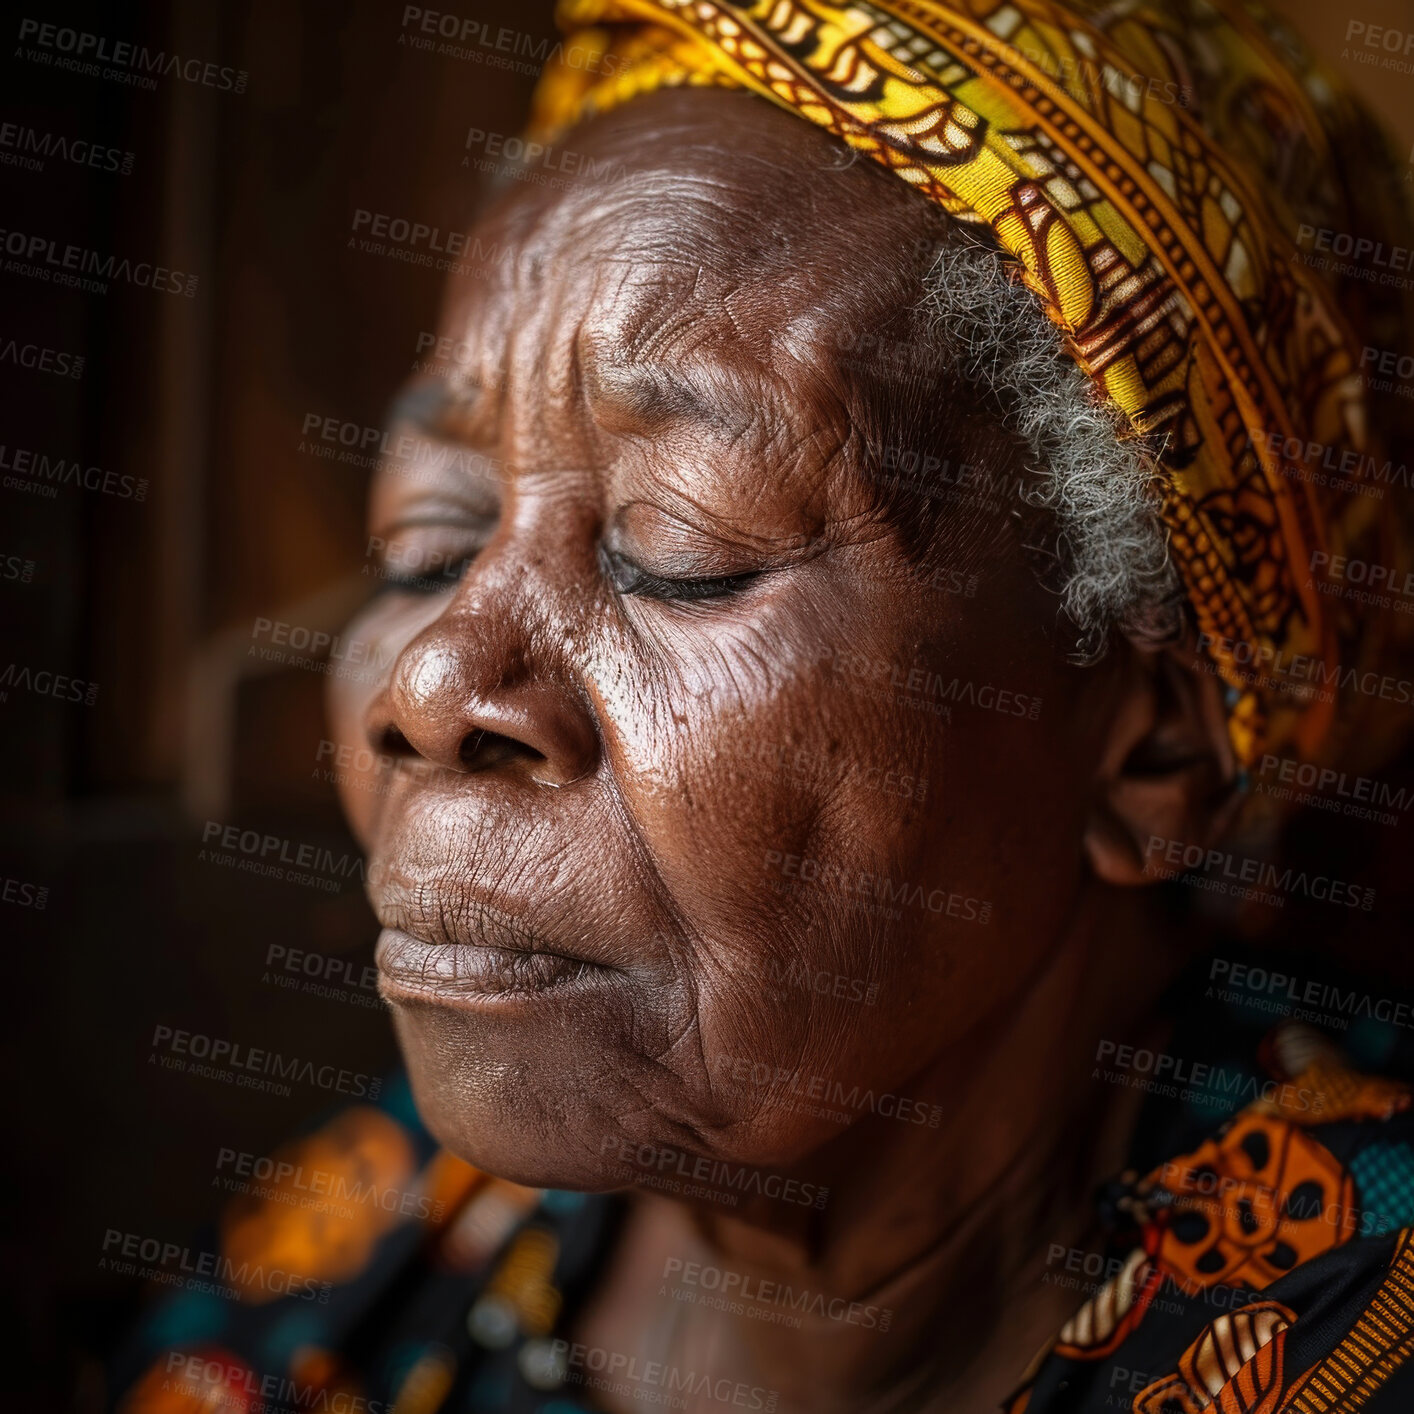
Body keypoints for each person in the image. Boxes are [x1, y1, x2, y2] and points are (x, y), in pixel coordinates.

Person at [115, 0, 1414, 1409]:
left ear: (1151, 743)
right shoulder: (378, 1247)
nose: (431, 684)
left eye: (681, 552)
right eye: (430, 542)